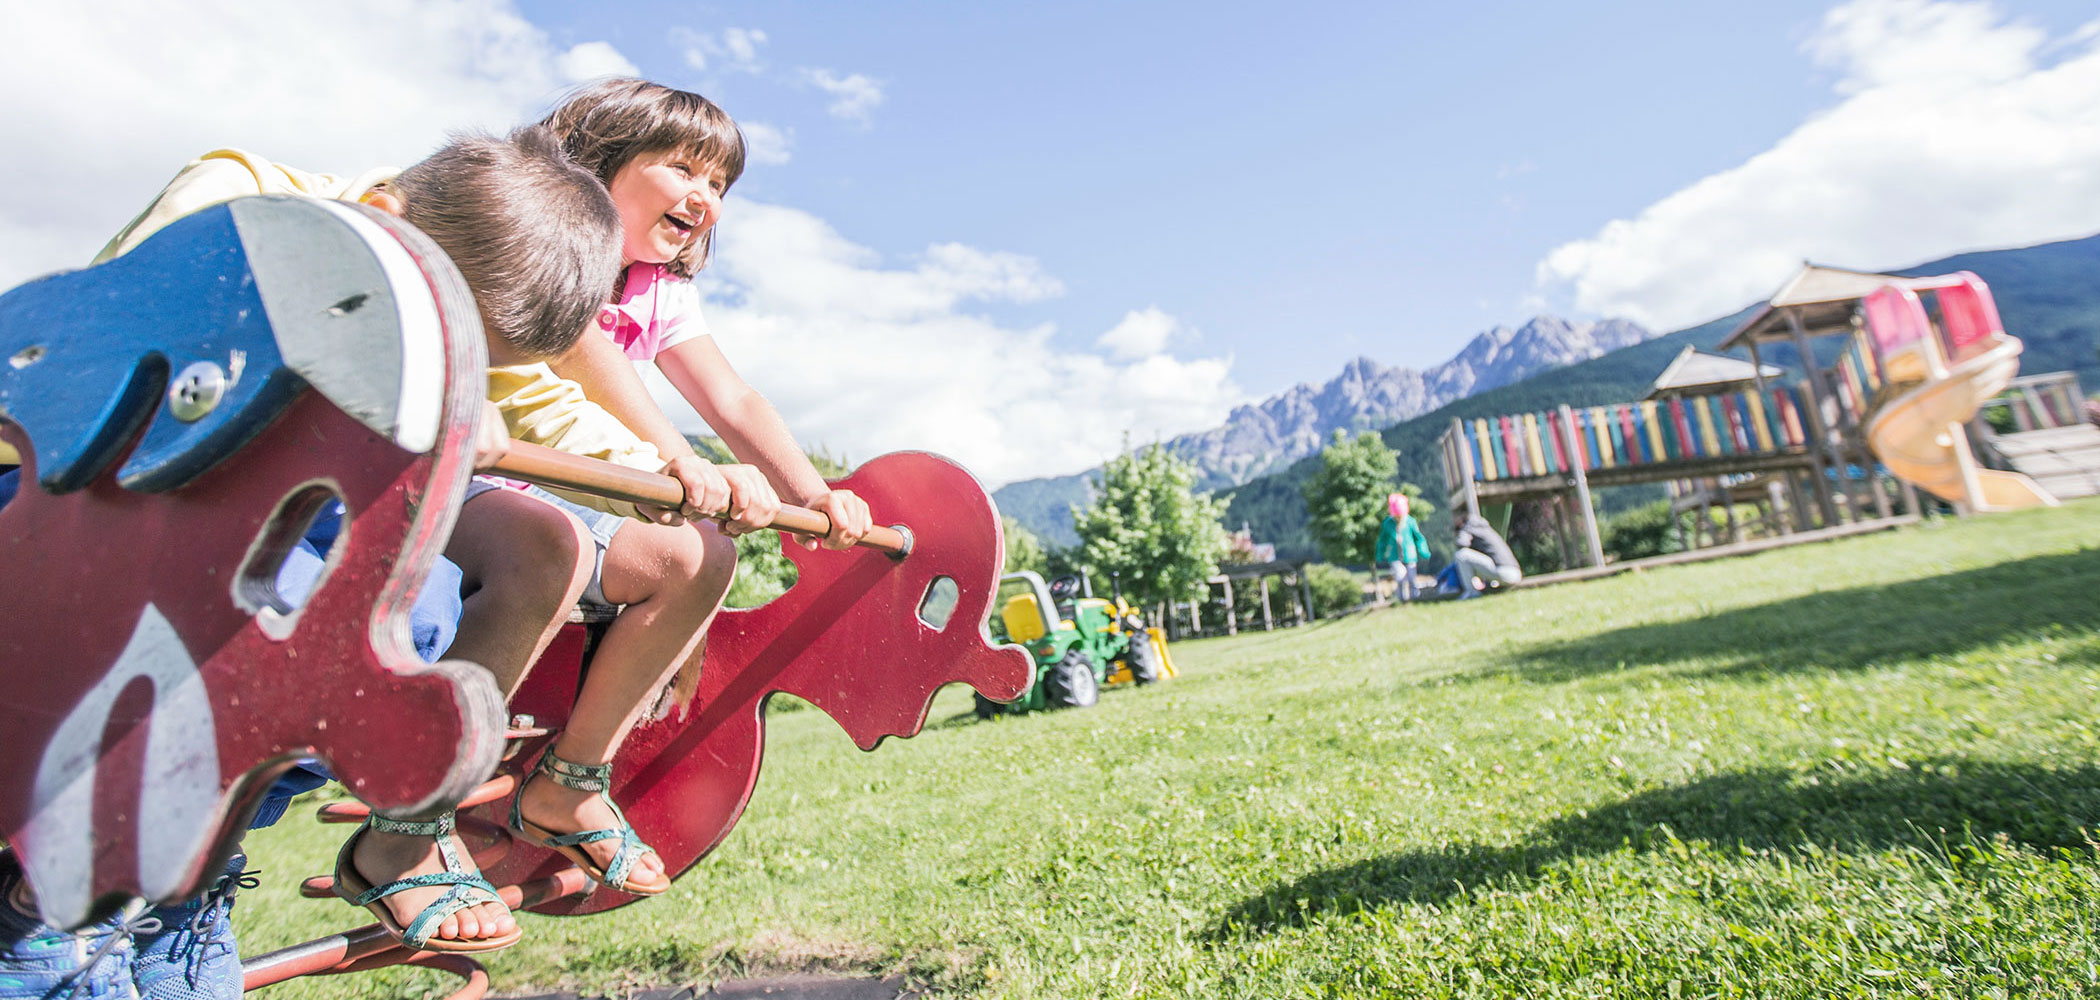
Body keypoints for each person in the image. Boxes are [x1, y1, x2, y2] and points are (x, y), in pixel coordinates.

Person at [91, 127, 731, 953]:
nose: (461, 362)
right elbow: (140, 350)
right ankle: (126, 871)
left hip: (298, 505)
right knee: (388, 620)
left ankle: (207, 862)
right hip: (122, 490)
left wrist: (670, 482)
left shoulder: (444, 279)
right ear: (389, 219)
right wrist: (405, 385)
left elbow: (547, 407)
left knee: (456, 592)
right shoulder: (237, 195)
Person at [1451, 507, 1522, 598]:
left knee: (1461, 555)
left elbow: (1461, 543)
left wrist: (1457, 533)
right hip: (1515, 572)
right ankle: (1485, 586)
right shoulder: (1482, 526)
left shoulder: (1470, 527)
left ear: (1462, 516)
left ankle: (1472, 593)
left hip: (1505, 572)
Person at [1373, 493, 1429, 604]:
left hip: (1410, 554)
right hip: (1395, 556)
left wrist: (1423, 550)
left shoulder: (1410, 521)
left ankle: (1415, 599)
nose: (1398, 518)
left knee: (1412, 578)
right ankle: (1402, 600)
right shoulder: (1388, 523)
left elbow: (1418, 538)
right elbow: (1382, 541)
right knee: (1400, 576)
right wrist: (1380, 554)